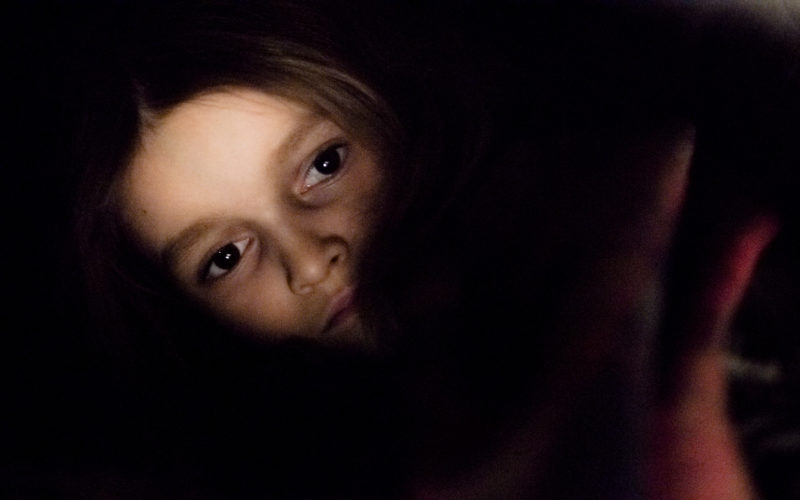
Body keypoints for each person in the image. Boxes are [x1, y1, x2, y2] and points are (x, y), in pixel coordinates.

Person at [12, 0, 797, 498]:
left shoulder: (648, 198)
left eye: (324, 165)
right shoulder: (309, 465)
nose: (311, 261)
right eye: (224, 258)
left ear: (391, 99)